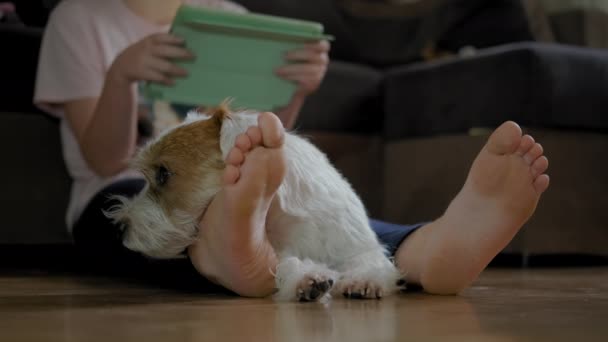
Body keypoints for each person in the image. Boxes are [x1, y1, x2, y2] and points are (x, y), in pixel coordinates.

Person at [35, 0, 549, 297]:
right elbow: (106, 160)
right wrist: (122, 73)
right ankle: (233, 247)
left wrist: (298, 89)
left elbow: (263, 149)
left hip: (240, 199)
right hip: (120, 190)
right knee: (163, 221)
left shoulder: (229, 16)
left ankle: (430, 249)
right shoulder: (78, 18)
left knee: (296, 208)